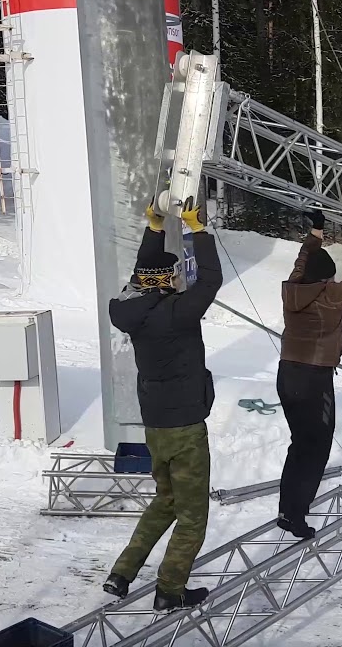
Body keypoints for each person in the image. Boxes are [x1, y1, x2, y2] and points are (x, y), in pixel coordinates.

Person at [103, 198, 222, 611]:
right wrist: (197, 231)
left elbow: (144, 271)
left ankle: (122, 572)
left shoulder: (131, 308)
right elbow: (210, 280)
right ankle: (170, 591)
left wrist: (154, 229)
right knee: (192, 517)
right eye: (173, 274)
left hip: (155, 423)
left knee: (166, 500)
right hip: (185, 426)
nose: (177, 279)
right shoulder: (178, 313)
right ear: (166, 281)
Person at [276, 206, 342, 539]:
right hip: (313, 378)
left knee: (299, 443)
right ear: (325, 280)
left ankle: (286, 510)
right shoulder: (329, 297)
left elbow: (302, 261)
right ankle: (296, 516)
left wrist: (316, 232)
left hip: (287, 374)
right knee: (316, 446)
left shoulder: (293, 288)